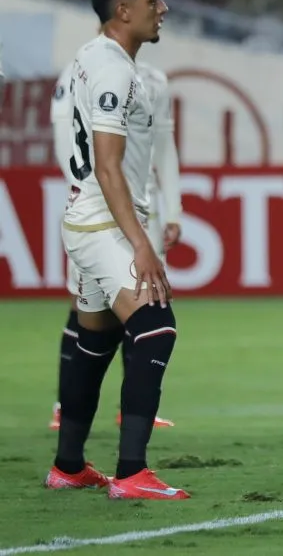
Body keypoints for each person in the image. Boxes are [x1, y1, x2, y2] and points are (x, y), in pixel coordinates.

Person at [48, 0, 188, 500]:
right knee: (156, 325)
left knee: (95, 339)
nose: (163, 9)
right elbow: (108, 167)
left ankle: (68, 466)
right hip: (106, 223)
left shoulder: (90, 59)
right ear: (123, 11)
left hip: (86, 220)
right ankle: (131, 474)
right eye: (154, 1)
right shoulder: (115, 71)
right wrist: (141, 244)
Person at [50, 59, 180, 431]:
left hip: (142, 209)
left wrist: (175, 209)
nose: (160, 11)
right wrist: (81, 190)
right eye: (152, 0)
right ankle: (64, 408)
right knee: (87, 309)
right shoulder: (81, 69)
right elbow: (65, 137)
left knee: (141, 302)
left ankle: (132, 409)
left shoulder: (154, 77)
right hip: (96, 210)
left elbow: (165, 147)